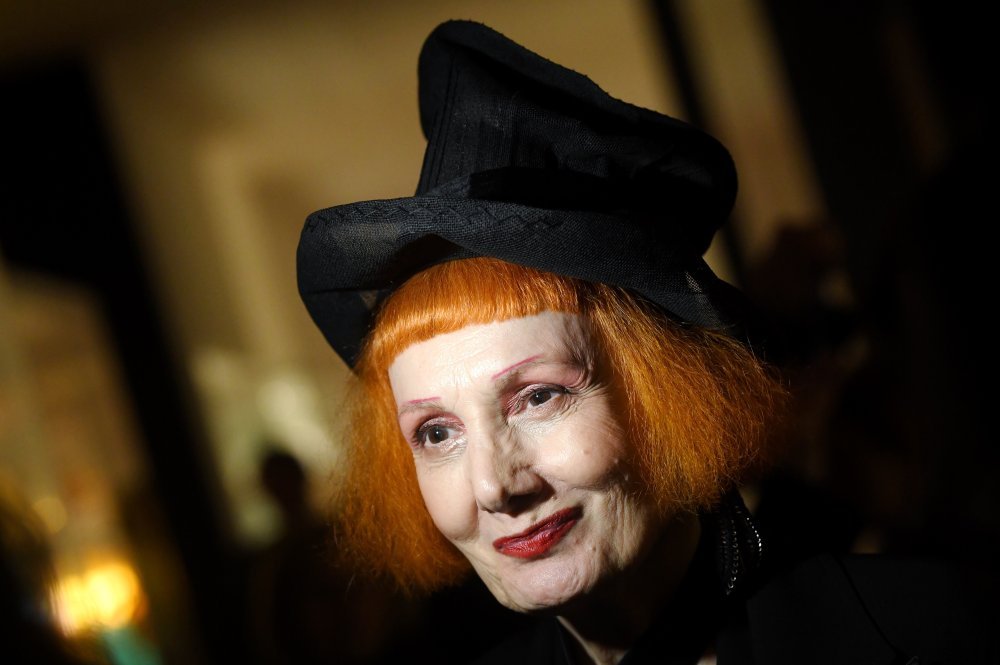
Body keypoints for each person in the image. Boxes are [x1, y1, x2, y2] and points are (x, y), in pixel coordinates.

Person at [297, 20, 987, 665]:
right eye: (437, 433)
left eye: (538, 396)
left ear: (673, 395)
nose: (493, 485)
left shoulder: (936, 629)